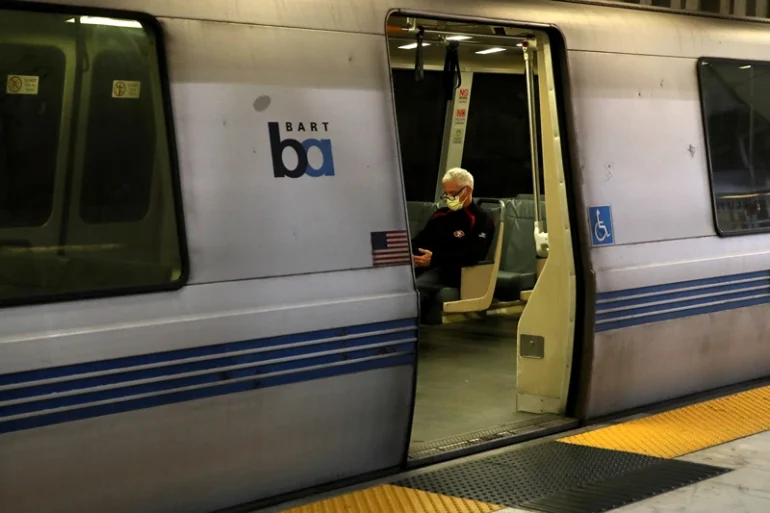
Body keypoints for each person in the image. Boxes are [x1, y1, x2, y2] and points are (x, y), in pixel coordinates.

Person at [412, 167, 495, 323]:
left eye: (453, 193)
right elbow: (420, 240)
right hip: (429, 265)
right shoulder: (441, 215)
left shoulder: (481, 218)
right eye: (446, 194)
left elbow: (474, 254)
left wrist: (435, 259)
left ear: (467, 190)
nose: (449, 198)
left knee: (416, 288)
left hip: (454, 271)